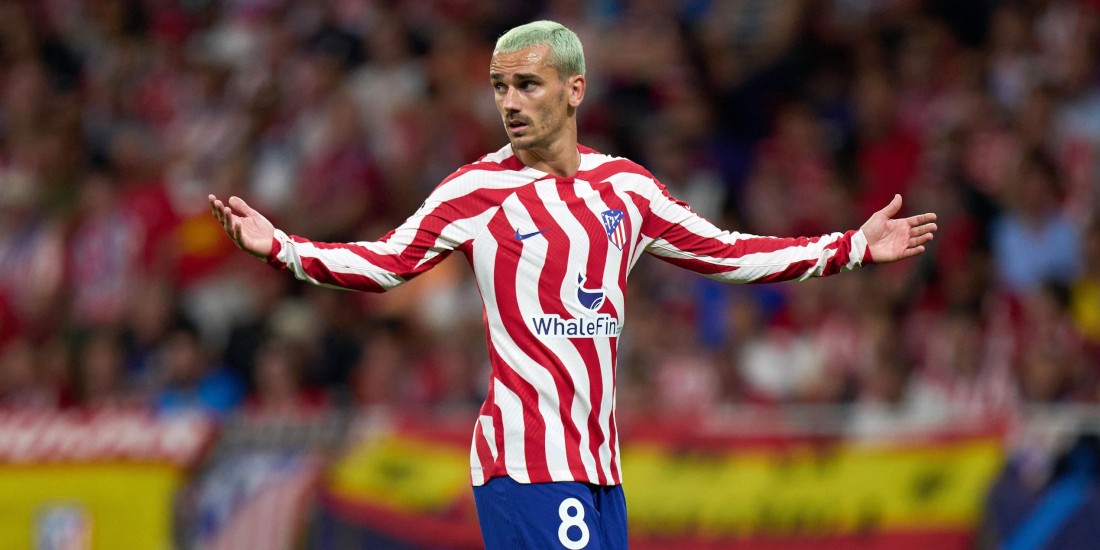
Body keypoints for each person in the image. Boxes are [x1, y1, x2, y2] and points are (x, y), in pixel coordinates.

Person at [209, 20, 937, 550]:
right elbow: (385, 263)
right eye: (500, 87)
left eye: (527, 84)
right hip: (524, 464)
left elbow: (729, 253)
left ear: (574, 89)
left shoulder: (626, 188)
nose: (510, 101)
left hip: (598, 467)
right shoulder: (475, 190)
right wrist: (284, 249)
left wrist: (850, 247)